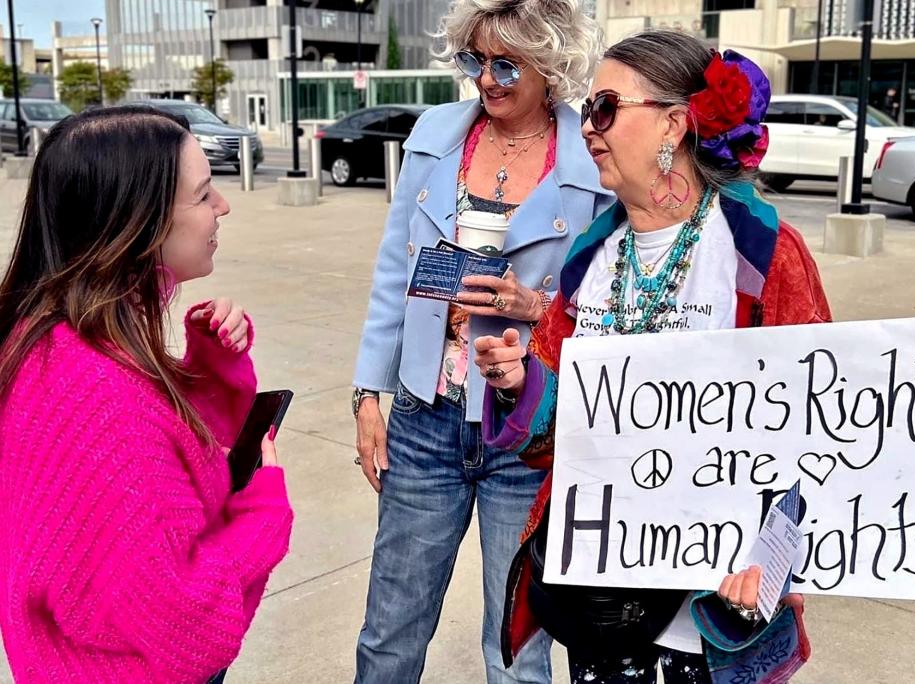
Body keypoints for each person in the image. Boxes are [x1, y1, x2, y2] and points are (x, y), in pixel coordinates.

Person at [475, 31, 830, 683]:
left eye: (606, 107)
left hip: (714, 617)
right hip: (603, 608)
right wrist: (520, 383)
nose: (587, 127)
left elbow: (819, 432)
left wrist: (779, 558)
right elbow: (553, 439)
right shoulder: (591, 259)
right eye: (586, 109)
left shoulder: (760, 256)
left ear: (673, 123)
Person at [351, 0, 612, 680]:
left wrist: (537, 305)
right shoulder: (437, 133)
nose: (486, 79)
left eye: (505, 64)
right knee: (390, 631)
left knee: (517, 645)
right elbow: (392, 271)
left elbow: (614, 298)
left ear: (550, 67)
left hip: (523, 430)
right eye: (474, 60)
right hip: (424, 419)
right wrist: (367, 395)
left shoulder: (590, 157)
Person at [0, 107, 294, 682]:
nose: (223, 207)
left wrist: (209, 367)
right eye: (204, 193)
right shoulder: (94, 395)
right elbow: (185, 625)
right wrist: (263, 510)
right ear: (140, 221)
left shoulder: (62, 336)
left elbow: (163, 473)